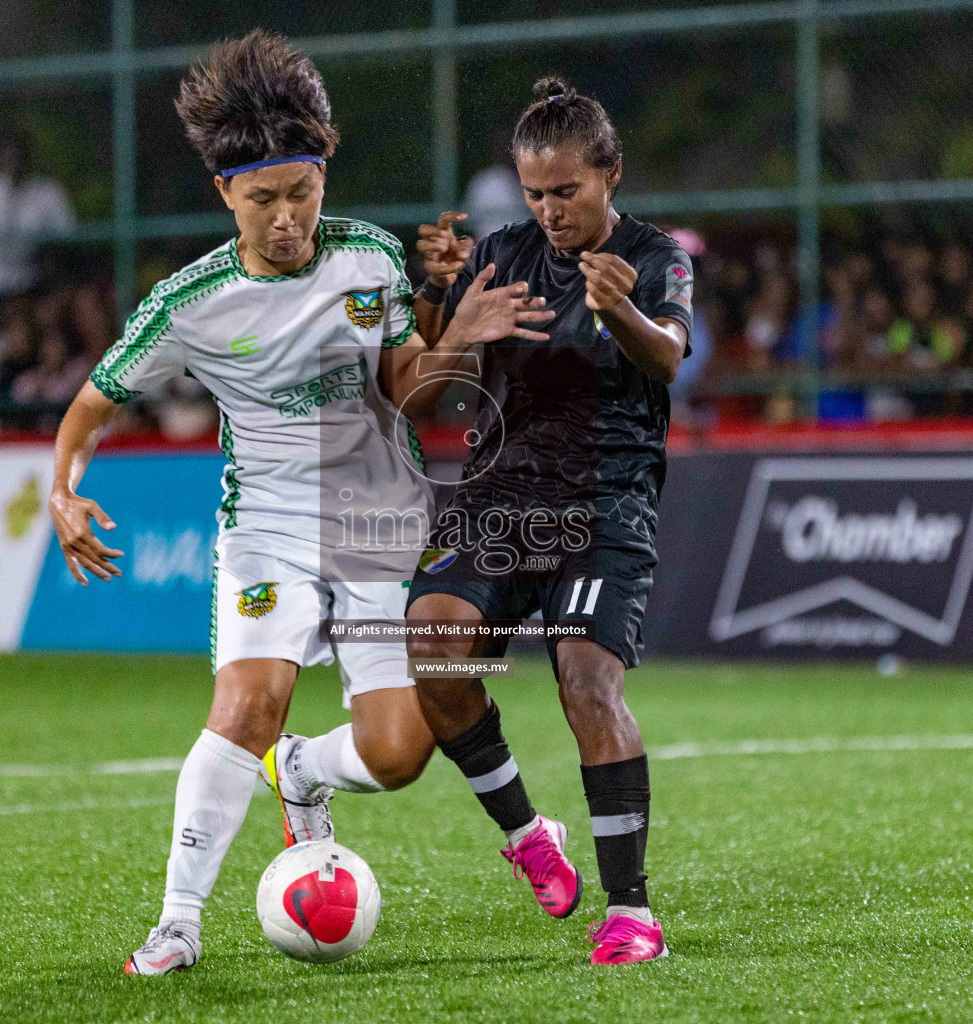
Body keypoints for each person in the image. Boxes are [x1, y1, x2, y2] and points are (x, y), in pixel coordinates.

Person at [46, 31, 553, 977]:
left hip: (377, 523)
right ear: (225, 195)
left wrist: (459, 335)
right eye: (264, 199)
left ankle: (305, 771)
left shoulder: (365, 260)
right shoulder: (187, 303)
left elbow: (408, 389)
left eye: (303, 191)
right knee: (249, 703)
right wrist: (63, 489)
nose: (288, 218)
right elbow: (91, 405)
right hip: (267, 526)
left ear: (323, 175)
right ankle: (179, 921)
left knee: (399, 754)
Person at [406, 78, 693, 966]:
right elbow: (427, 380)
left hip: (605, 500)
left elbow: (670, 357)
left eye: (566, 190)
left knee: (585, 684)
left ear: (611, 173)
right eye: (535, 193)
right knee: (433, 648)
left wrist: (623, 311)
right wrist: (442, 298)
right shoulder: (500, 253)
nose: (549, 209)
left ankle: (632, 911)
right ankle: (528, 833)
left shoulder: (654, 259)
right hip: (501, 496)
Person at [0, 137, 76, 299]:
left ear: (28, 158)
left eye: (18, 157)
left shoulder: (48, 191)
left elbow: (67, 238)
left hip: (34, 283)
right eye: (8, 157)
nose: (14, 163)